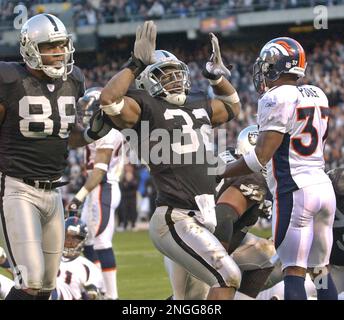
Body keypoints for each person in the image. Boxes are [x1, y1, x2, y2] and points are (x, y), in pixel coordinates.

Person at [99, 20, 242, 300]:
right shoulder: (143, 105)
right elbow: (109, 100)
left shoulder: (197, 101)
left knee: (189, 300)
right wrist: (134, 63)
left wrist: (216, 78)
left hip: (203, 217)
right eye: (164, 75)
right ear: (146, 81)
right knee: (229, 275)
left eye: (176, 73)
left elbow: (231, 108)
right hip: (175, 218)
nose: (174, 79)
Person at [0, 14, 110, 300]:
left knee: (48, 285)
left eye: (62, 45)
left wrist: (88, 135)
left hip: (54, 191)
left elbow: (66, 135)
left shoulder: (73, 79)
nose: (59, 53)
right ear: (30, 48)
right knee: (30, 281)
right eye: (51, 47)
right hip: (17, 187)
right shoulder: (8, 79)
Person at [219, 37, 337, 300]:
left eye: (267, 64)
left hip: (295, 191)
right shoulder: (317, 93)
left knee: (293, 271)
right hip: (322, 187)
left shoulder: (276, 97)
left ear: (277, 65)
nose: (263, 70)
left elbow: (260, 157)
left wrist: (221, 171)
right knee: (320, 271)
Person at [164, 125, 275, 300]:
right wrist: (219, 266)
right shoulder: (253, 177)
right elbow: (223, 218)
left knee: (266, 255)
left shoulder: (228, 158)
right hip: (198, 244)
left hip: (189, 232)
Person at [67, 87, 124, 300]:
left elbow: (99, 172)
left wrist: (79, 196)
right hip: (97, 190)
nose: (84, 113)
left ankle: (112, 295)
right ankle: (97, 288)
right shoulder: (97, 129)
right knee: (87, 241)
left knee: (100, 242)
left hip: (103, 188)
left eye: (87, 109)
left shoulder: (108, 131)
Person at [51, 217, 105, 300]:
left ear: (82, 241)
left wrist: (91, 294)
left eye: (74, 238)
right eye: (66, 237)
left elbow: (95, 294)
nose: (69, 241)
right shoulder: (48, 257)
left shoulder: (88, 268)